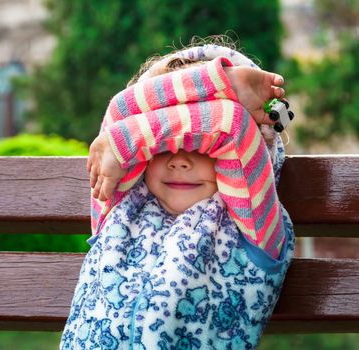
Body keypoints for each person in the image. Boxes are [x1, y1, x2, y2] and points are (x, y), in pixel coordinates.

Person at [60, 39, 295, 350]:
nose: (179, 160)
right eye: (164, 147)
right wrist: (224, 85)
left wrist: (130, 137)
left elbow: (231, 125)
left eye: (201, 147)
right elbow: (121, 109)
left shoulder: (249, 224)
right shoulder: (122, 203)